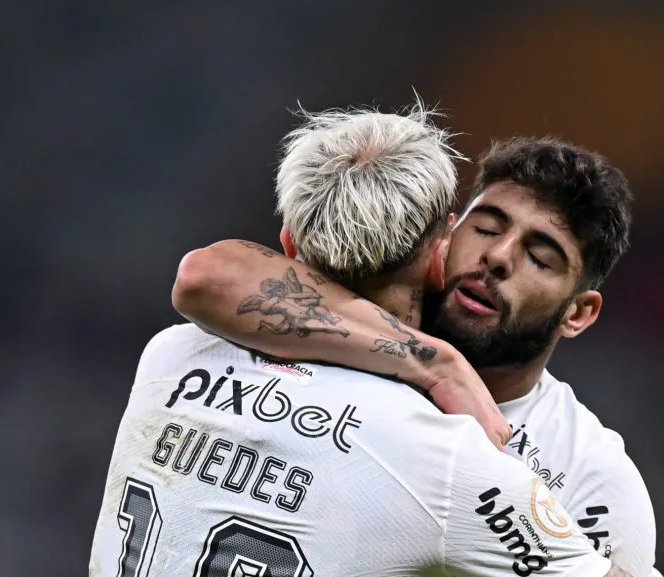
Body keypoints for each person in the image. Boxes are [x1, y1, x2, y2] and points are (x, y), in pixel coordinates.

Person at [90, 103, 614, 576]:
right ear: (440, 255)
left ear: (288, 242)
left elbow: (209, 274)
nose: (497, 257)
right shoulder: (444, 454)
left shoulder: (172, 356)